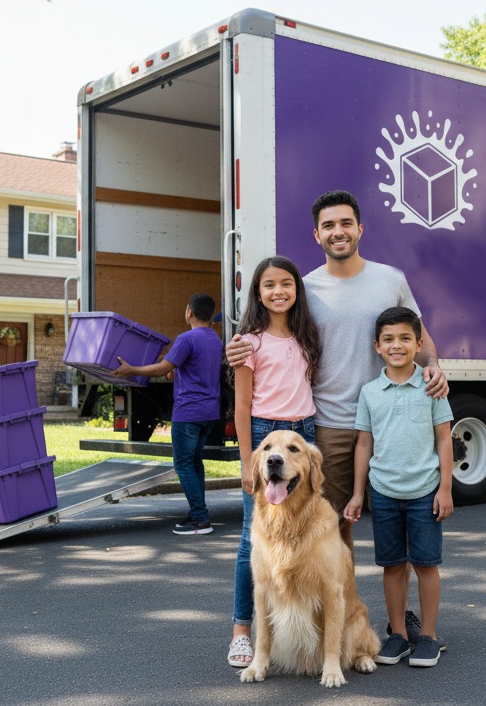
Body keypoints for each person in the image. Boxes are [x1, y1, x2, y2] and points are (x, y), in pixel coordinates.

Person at [227, 190, 448, 546]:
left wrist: (434, 365)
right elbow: (272, 333)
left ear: (360, 228)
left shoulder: (391, 280)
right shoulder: (306, 289)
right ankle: (340, 603)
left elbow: (418, 338)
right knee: (330, 529)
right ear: (317, 235)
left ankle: (399, 604)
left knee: (401, 527)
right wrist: (239, 347)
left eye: (346, 223)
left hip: (392, 420)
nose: (338, 231)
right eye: (328, 225)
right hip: (331, 425)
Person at [226, 255, 324, 668]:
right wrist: (250, 463)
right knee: (255, 537)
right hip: (266, 436)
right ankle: (242, 632)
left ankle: (304, 627)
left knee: (306, 532)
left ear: (297, 289)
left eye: (286, 283)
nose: (278, 291)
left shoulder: (307, 336)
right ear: (257, 292)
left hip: (304, 433)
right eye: (269, 285)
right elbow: (243, 406)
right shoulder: (248, 341)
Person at [343, 307, 453, 668]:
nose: (397, 345)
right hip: (384, 492)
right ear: (377, 346)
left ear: (418, 343)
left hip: (425, 491)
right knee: (392, 565)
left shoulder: (432, 384)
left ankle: (429, 637)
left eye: (406, 338)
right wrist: (359, 493)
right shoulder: (370, 392)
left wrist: (446, 488)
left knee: (425, 565)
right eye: (388, 339)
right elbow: (363, 444)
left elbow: (444, 440)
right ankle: (398, 635)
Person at [111, 293, 223, 534]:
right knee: (194, 462)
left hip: (189, 412)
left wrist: (132, 370)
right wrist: (178, 372)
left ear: (189, 312)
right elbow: (193, 368)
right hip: (209, 412)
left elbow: (163, 368)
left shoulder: (186, 339)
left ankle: (201, 519)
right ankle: (196, 512)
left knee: (183, 464)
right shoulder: (215, 339)